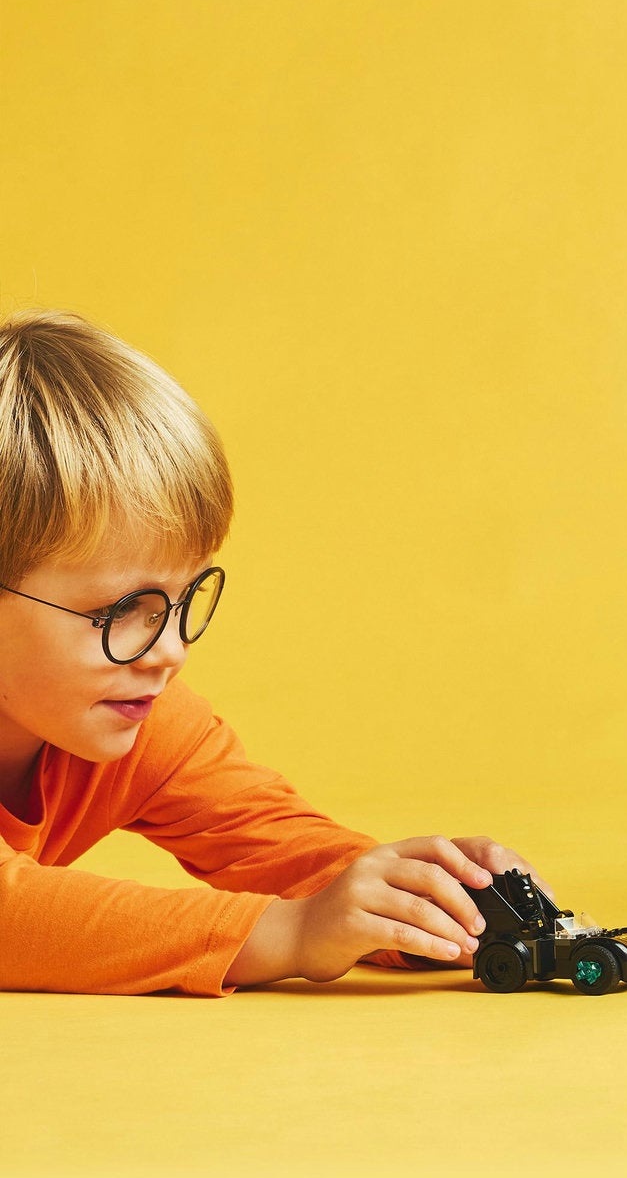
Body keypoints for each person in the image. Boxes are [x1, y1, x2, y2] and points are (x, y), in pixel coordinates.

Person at [0, 309, 543, 995]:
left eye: (180, 601)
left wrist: (423, 910)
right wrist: (290, 934)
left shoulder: (137, 713)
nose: (169, 651)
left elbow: (276, 842)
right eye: (114, 612)